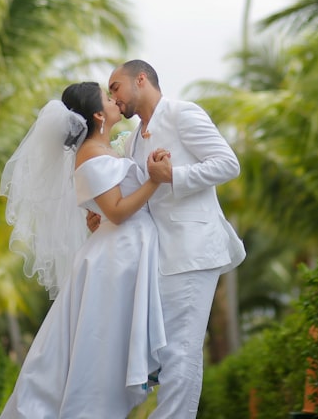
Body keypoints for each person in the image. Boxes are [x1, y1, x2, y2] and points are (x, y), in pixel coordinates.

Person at [0, 81, 172, 419]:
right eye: (108, 97)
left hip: (121, 252)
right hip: (114, 259)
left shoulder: (105, 149)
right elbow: (119, 211)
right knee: (98, 352)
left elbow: (109, 206)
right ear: (97, 113)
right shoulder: (91, 152)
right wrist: (154, 179)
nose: (114, 100)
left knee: (102, 349)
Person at [106, 59, 246, 419]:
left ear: (141, 79)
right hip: (161, 256)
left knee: (181, 350)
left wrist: (173, 175)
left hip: (194, 248)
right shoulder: (136, 137)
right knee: (167, 352)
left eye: (115, 87)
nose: (112, 97)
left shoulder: (183, 113)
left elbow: (227, 163)